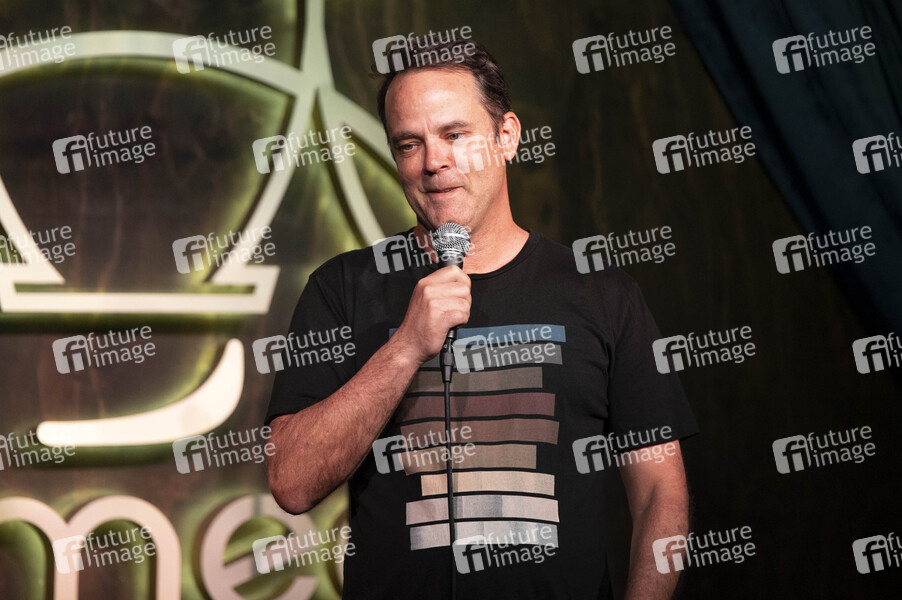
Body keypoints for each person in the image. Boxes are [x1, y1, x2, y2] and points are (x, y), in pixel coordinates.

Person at [265, 38, 698, 599]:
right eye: (409, 143)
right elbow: (292, 482)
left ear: (507, 136)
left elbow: (661, 491)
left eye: (455, 135)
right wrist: (406, 347)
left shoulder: (600, 293)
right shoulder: (342, 288)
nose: (433, 162)